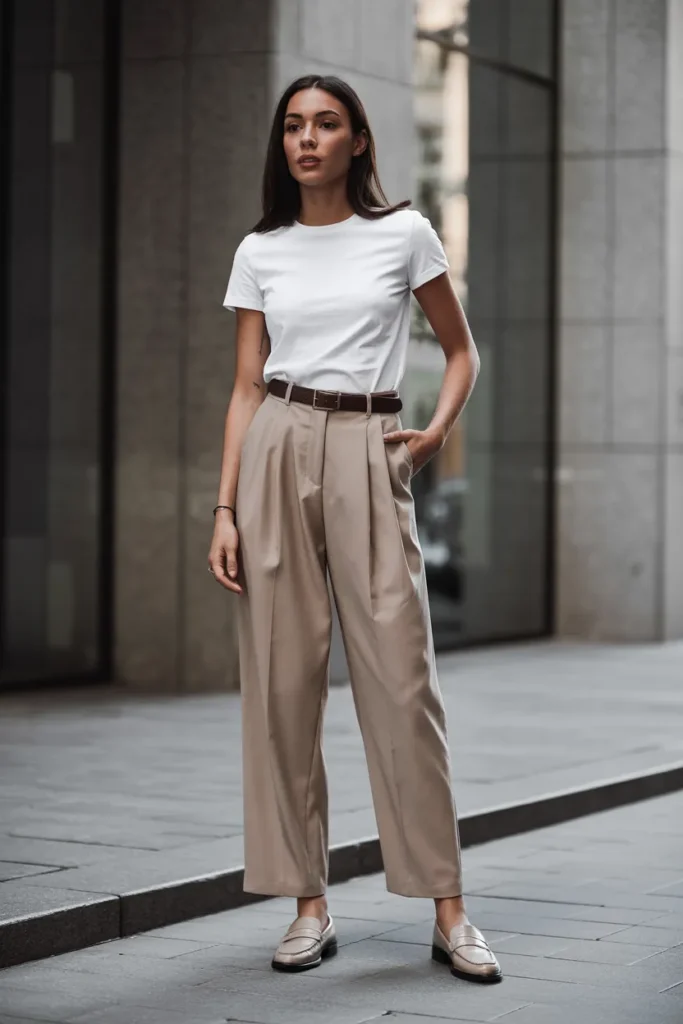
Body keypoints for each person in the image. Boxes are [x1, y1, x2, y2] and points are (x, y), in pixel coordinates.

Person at [208, 73, 502, 985]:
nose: (307, 139)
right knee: (281, 685)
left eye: (326, 124)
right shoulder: (260, 250)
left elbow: (460, 349)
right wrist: (224, 507)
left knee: (402, 685)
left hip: (374, 446)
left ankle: (449, 910)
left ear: (358, 141)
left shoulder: (403, 234)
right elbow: (246, 386)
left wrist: (434, 433)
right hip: (277, 443)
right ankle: (307, 906)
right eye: (293, 125)